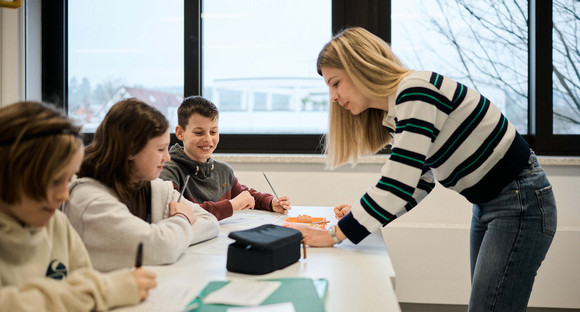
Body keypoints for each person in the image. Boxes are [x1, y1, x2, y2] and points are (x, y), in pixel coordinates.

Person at [293, 27, 557, 312]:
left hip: (520, 202)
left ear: (360, 67)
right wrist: (358, 216)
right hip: (491, 204)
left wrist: (336, 233)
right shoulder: (397, 111)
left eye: (336, 83)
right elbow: (420, 182)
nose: (333, 97)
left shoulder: (415, 91)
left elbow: (397, 183)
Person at [0, 101, 157, 311]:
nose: (65, 195)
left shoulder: (57, 224)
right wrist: (108, 290)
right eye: (55, 181)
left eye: (69, 179)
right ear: (10, 172)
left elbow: (84, 282)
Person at [62, 98, 219, 272]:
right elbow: (160, 248)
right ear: (131, 150)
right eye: (160, 149)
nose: (167, 158)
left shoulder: (153, 186)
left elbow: (209, 222)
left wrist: (167, 236)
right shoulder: (89, 200)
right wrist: (181, 220)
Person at [160, 96, 291, 221]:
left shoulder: (223, 170)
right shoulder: (168, 170)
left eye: (213, 132)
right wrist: (231, 206)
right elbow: (181, 212)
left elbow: (246, 196)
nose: (207, 139)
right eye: (199, 133)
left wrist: (271, 202)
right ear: (180, 133)